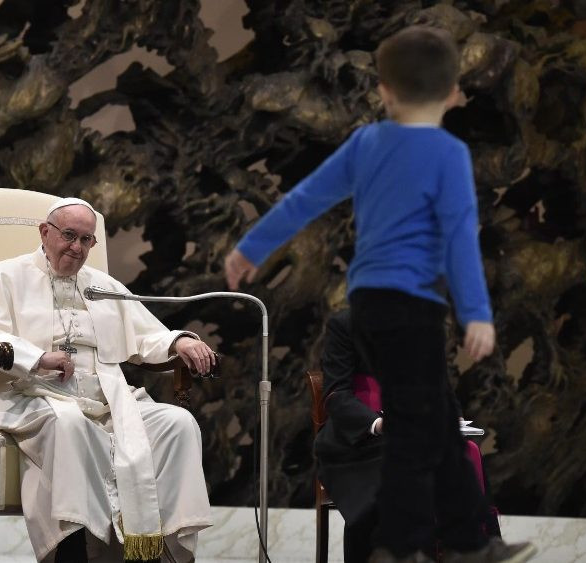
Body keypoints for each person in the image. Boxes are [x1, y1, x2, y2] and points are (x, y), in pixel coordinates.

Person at [225, 25, 535, 563]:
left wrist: (251, 247)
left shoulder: (367, 142)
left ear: (386, 90)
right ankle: (400, 545)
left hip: (368, 303)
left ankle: (470, 541)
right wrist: (477, 315)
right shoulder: (448, 153)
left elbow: (305, 199)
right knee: (421, 424)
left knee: (433, 418)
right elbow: (460, 237)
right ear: (451, 92)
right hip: (414, 305)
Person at [0, 197, 216, 563]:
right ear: (45, 232)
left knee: (177, 423)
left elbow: (145, 334)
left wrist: (178, 340)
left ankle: (158, 551)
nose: (76, 247)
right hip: (33, 394)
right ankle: (72, 552)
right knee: (69, 423)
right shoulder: (3, 277)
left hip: (107, 400)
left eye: (86, 240)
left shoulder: (103, 286)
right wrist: (35, 357)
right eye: (69, 235)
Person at [315, 309, 501, 563]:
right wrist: (379, 423)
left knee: (466, 452)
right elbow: (336, 395)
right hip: (359, 441)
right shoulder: (344, 324)